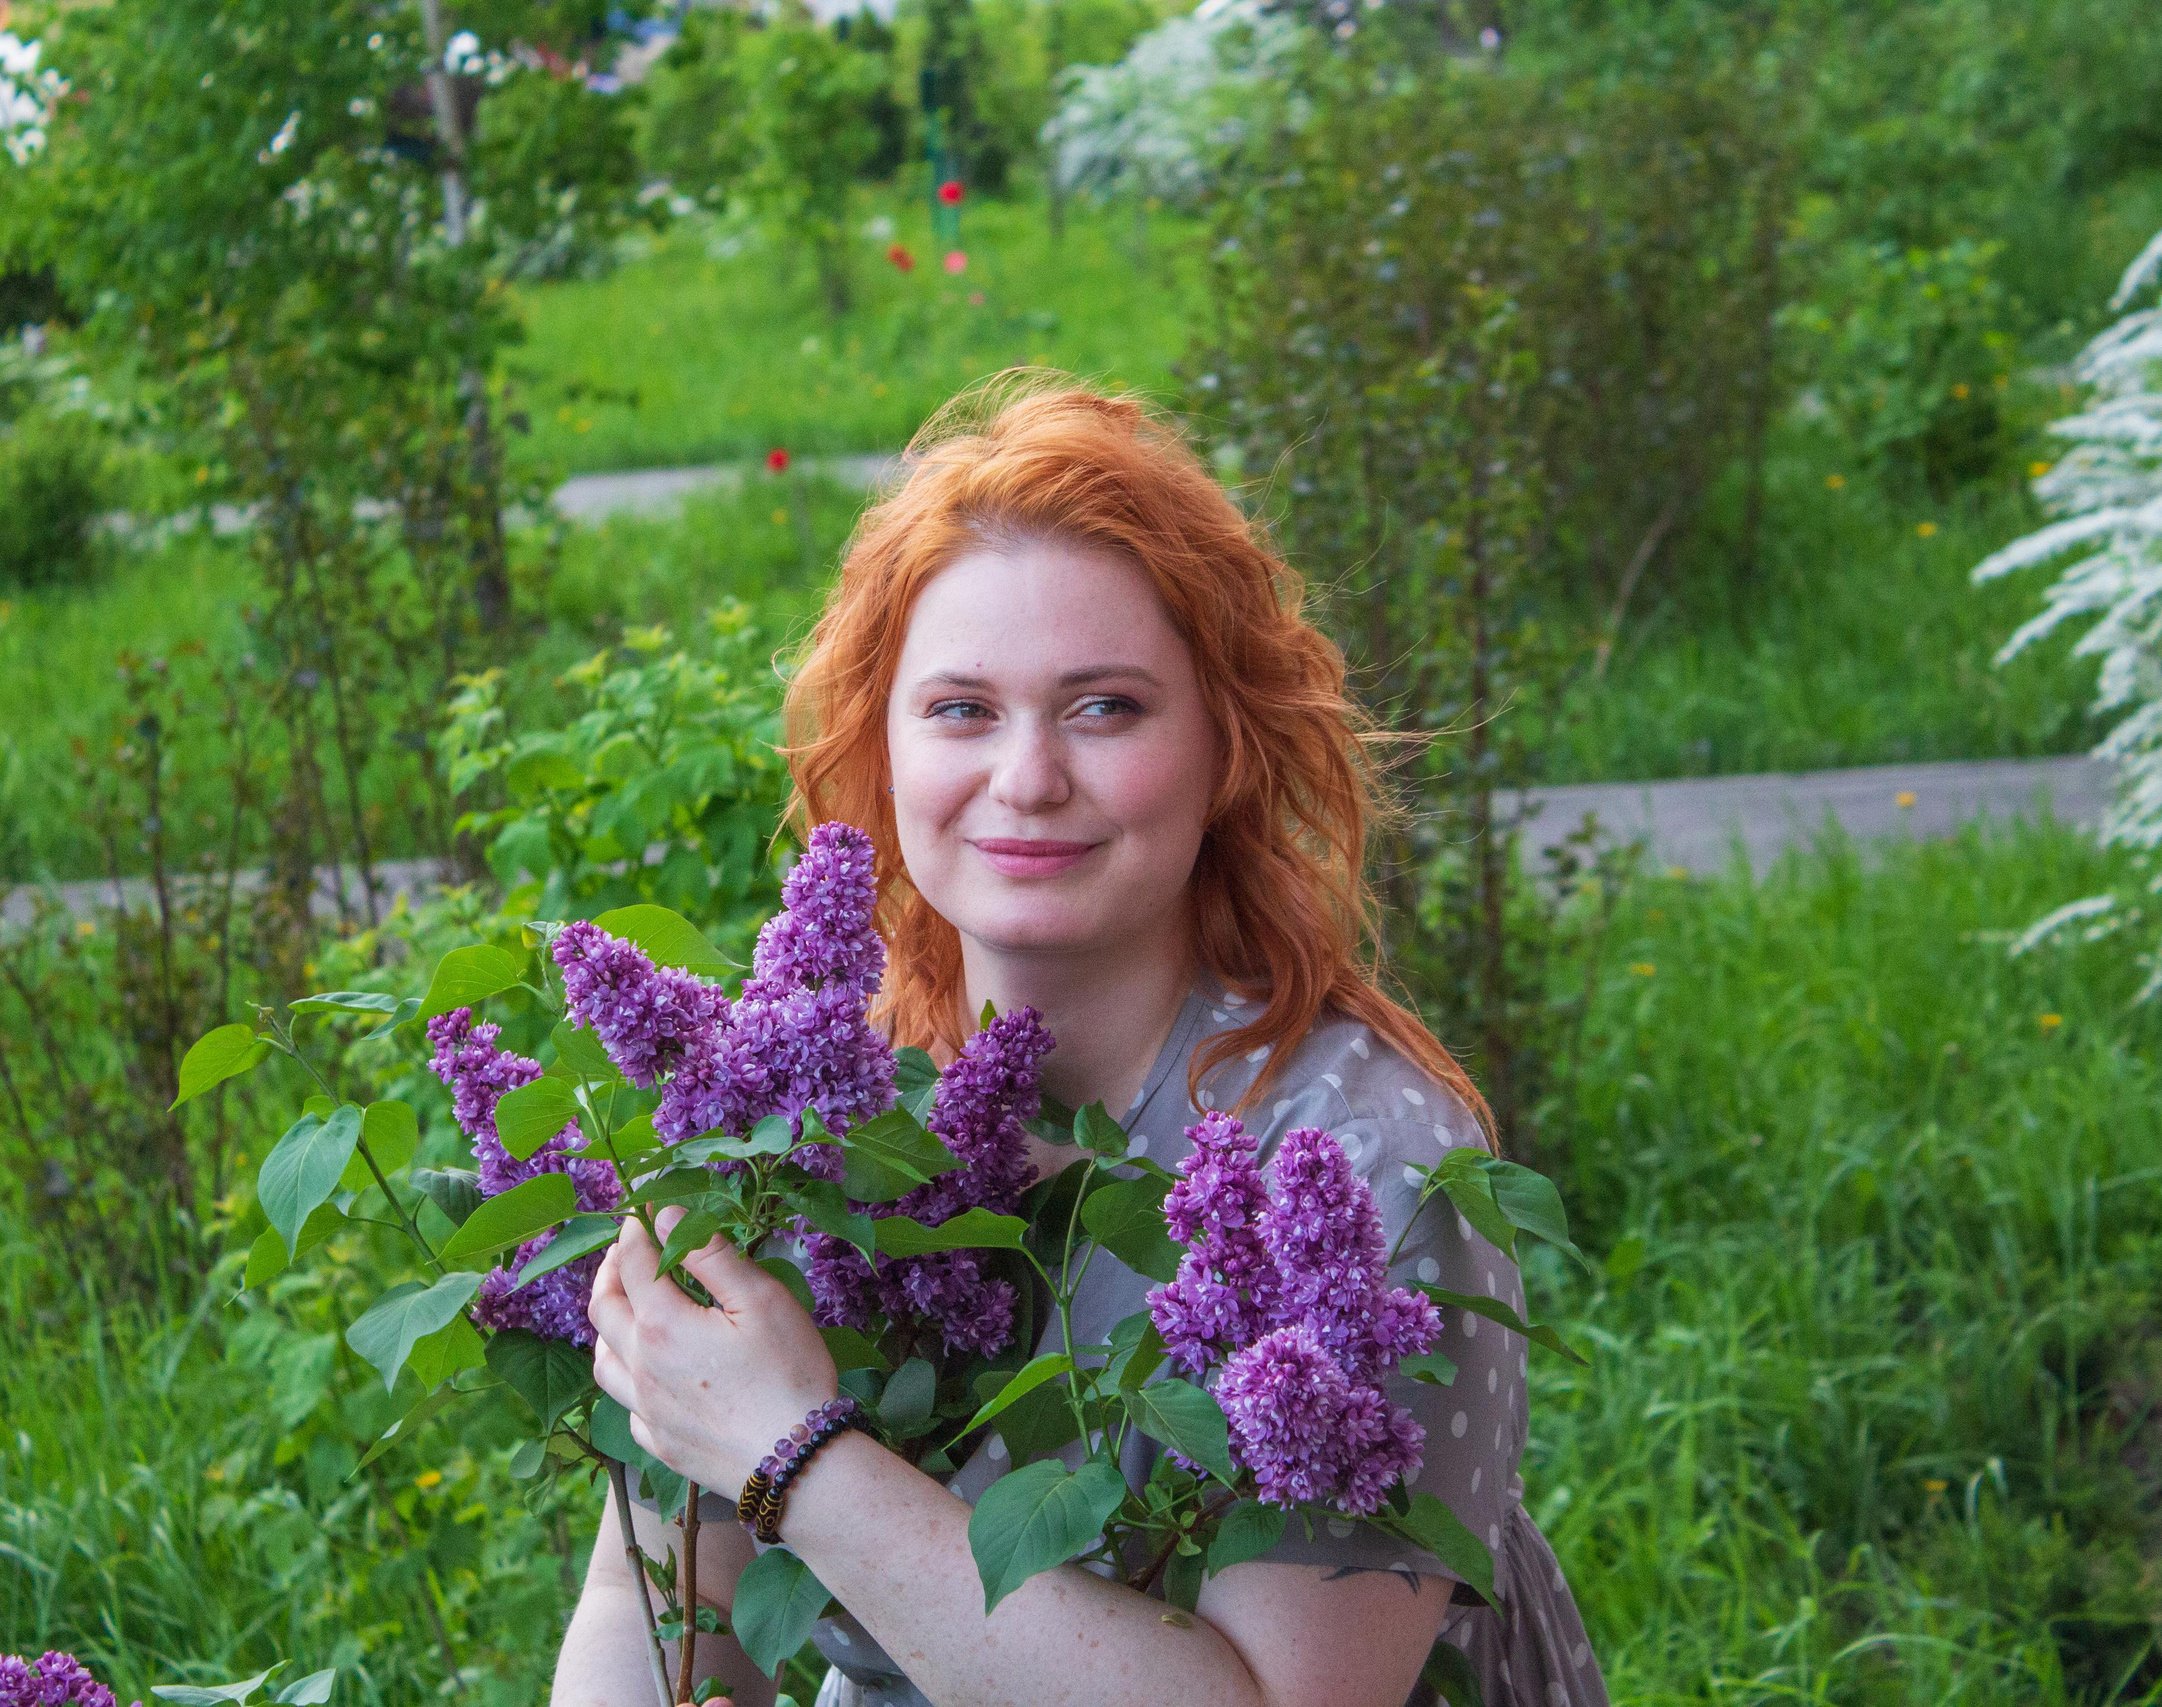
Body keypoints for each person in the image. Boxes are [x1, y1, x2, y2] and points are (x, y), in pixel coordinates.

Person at [554, 379, 1609, 1707]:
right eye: (960, 710)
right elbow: (655, 1602)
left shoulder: (1356, 1167)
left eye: (1105, 707)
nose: (1029, 777)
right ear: (882, 747)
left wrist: (797, 1460)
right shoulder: (804, 1122)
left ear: (1224, 745)